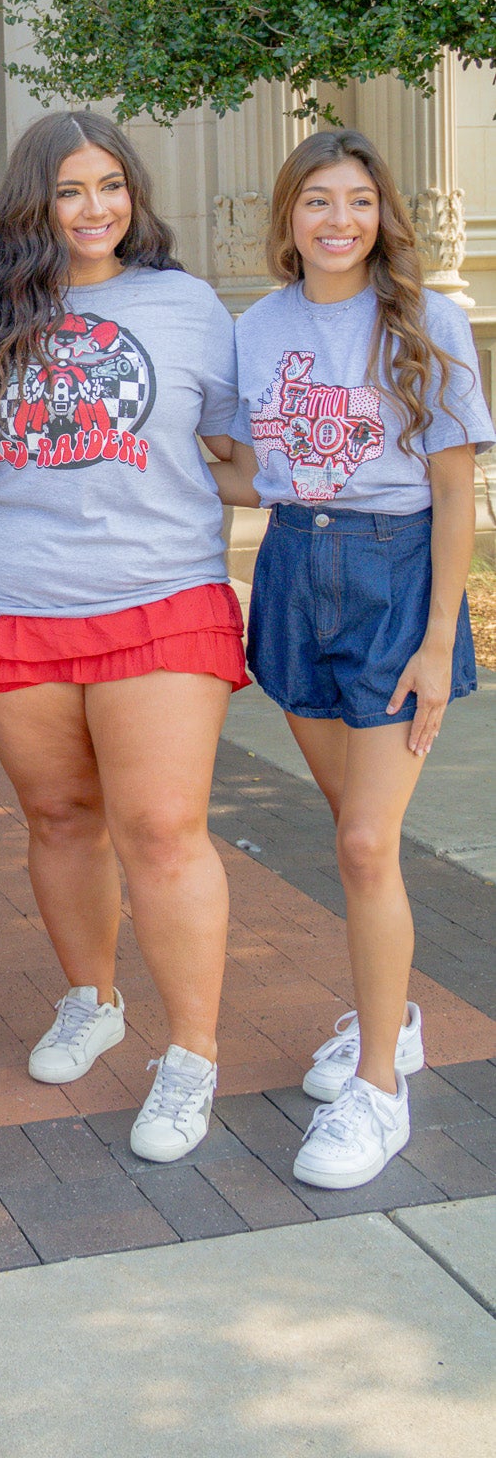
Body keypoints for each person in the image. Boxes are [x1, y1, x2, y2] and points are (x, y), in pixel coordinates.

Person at [0, 112, 247, 1164]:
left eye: (111, 185)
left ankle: (192, 1053)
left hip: (160, 592)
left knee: (162, 826)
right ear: (34, 201)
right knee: (60, 812)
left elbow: (246, 446)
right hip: (8, 598)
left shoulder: (188, 305)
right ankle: (93, 997)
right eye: (70, 190)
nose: (95, 209)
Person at [213, 128, 493, 1190]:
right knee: (350, 833)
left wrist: (434, 640)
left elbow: (459, 490)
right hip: (294, 568)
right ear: (288, 216)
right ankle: (398, 1014)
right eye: (318, 201)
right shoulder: (257, 327)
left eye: (359, 201)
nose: (339, 220)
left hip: (394, 580)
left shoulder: (431, 321)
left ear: (385, 215)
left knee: (370, 843)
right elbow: (257, 469)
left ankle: (380, 1086)